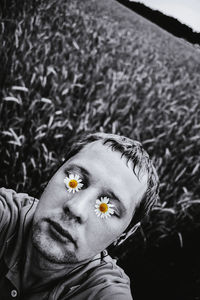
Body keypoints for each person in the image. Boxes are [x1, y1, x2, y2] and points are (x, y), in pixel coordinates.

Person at [0, 132, 159, 300]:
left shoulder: (105, 293)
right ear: (53, 174)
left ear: (126, 234)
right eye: (74, 180)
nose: (76, 209)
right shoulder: (6, 215)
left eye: (107, 208)